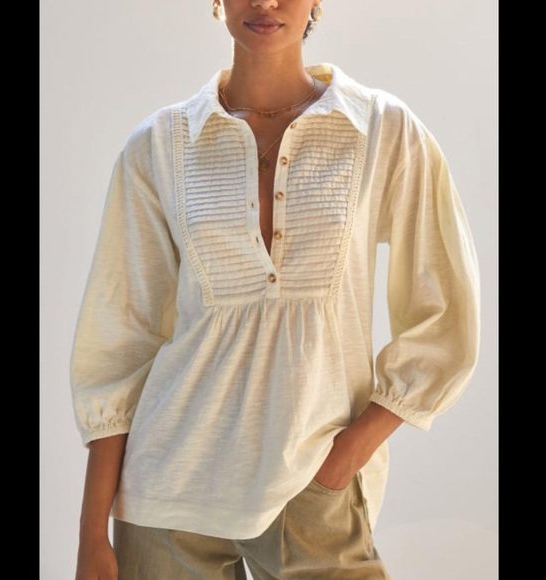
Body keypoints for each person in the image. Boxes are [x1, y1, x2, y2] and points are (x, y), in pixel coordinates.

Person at [70, 1, 480, 578]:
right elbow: (118, 342)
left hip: (314, 483)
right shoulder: (160, 144)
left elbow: (444, 314)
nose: (265, 2)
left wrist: (345, 458)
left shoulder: (381, 128)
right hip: (165, 494)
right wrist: (91, 532)